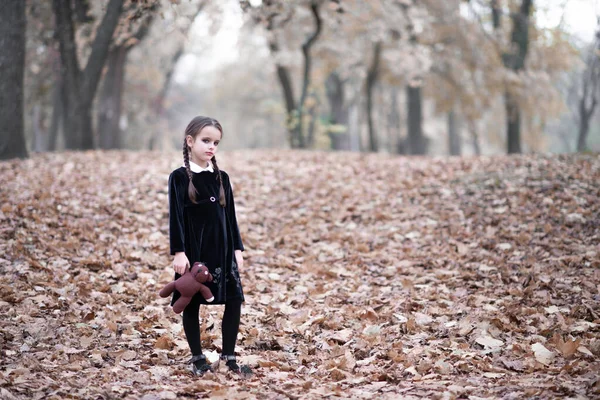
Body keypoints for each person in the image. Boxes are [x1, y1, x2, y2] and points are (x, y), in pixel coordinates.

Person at [168, 116, 251, 376]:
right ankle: (197, 357)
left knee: (234, 300)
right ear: (190, 141)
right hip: (195, 253)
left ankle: (229, 355)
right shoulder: (179, 177)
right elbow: (176, 218)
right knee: (191, 302)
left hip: (223, 251)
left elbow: (231, 216)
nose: (211, 146)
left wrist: (237, 249)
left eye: (216, 142)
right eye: (206, 140)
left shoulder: (221, 177)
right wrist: (179, 252)